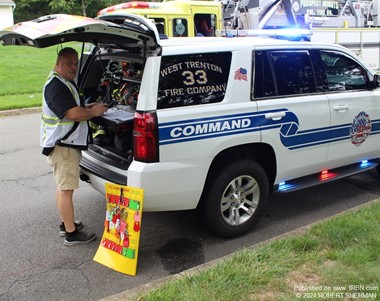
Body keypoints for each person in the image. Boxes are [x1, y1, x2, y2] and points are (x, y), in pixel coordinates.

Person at [41, 47, 108, 246]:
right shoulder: (56, 86)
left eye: (76, 63)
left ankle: (66, 223)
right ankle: (71, 234)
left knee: (63, 187)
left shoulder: (63, 82)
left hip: (63, 145)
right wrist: (93, 113)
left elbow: (73, 107)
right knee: (66, 189)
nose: (73, 67)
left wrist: (88, 107)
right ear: (58, 63)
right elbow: (72, 114)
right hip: (63, 147)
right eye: (69, 63)